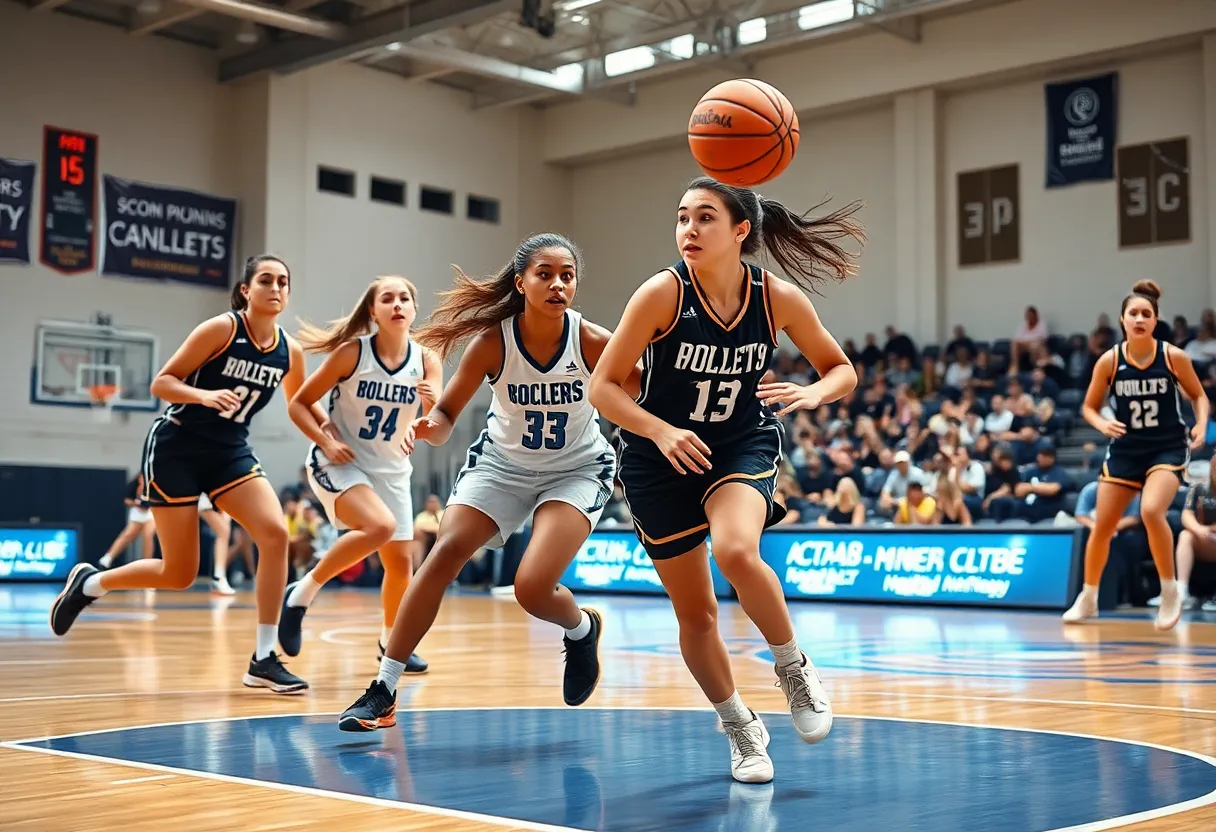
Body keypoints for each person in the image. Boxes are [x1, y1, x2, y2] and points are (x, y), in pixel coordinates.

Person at [588, 176, 864, 783]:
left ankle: (793, 668)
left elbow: (841, 368)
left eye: (705, 218)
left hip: (740, 442)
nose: (689, 229)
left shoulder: (776, 298)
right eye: (682, 217)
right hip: (658, 458)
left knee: (737, 551)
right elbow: (602, 388)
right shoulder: (660, 294)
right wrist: (661, 431)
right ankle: (740, 726)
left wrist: (812, 392)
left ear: (741, 230)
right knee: (697, 615)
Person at [336, 233, 640, 732]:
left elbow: (646, 392)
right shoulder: (493, 342)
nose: (558, 284)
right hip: (501, 466)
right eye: (545, 274)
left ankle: (580, 629)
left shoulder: (591, 340)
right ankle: (384, 688)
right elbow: (446, 417)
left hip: (576, 469)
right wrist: (427, 425)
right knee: (442, 555)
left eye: (567, 276)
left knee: (531, 588)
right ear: (520, 283)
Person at [49, 254, 324, 694]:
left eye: (283, 282)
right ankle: (92, 582)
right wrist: (203, 395)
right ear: (246, 290)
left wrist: (331, 437)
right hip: (177, 447)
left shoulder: (289, 351)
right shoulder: (221, 329)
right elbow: (162, 382)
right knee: (178, 573)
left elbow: (299, 405)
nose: (276, 288)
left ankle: (263, 659)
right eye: (266, 280)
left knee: (275, 534)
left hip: (229, 451)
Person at [278, 276, 441, 674]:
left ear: (414, 309)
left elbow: (436, 422)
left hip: (393, 470)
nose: (397, 304)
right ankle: (301, 592)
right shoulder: (352, 354)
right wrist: (325, 439)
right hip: (340, 462)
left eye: (404, 298)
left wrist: (429, 413)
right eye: (387, 298)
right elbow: (299, 403)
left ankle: (390, 644)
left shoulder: (426, 360)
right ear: (373, 311)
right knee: (380, 526)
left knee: (400, 566)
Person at [1063, 280, 1208, 630]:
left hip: (1166, 446)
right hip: (1126, 449)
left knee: (1151, 510)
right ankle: (1089, 596)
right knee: (1102, 525)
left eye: (1146, 314)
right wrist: (1102, 423)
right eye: (1134, 313)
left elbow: (1198, 395)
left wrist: (1202, 424)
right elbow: (1088, 407)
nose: (1140, 319)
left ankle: (1170, 591)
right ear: (1123, 320)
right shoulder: (1109, 361)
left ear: (1156, 320)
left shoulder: (1172, 356)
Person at [97, 472, 156, 569]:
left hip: (151, 512)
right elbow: (127, 499)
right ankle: (107, 558)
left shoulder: (155, 485)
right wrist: (137, 503)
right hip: (137, 512)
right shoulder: (134, 485)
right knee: (128, 534)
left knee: (148, 536)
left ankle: (147, 563)